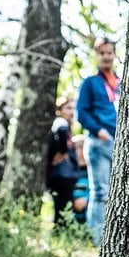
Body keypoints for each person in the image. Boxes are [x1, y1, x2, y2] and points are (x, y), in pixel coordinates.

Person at [76, 37, 120, 246]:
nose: (106, 56)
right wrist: (99, 130)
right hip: (99, 142)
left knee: (117, 192)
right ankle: (98, 241)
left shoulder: (120, 83)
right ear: (97, 55)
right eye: (102, 53)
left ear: (114, 54)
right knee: (101, 192)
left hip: (119, 145)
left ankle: (112, 238)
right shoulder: (90, 83)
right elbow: (82, 114)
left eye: (109, 52)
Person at [46, 97, 82, 228]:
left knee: (61, 208)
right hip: (62, 174)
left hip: (63, 174)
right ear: (59, 110)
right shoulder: (61, 123)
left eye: (73, 108)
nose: (72, 112)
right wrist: (63, 152)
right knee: (63, 210)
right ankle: (60, 236)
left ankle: (60, 236)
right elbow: (61, 134)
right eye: (68, 108)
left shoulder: (65, 124)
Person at [71, 135, 89, 225]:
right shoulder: (69, 169)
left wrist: (87, 199)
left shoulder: (93, 169)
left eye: (81, 147)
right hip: (71, 212)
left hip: (88, 210)